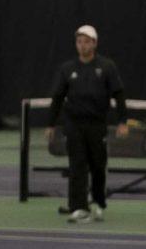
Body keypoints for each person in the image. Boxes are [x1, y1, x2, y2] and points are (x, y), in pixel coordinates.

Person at [47, 25, 131, 224]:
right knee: (77, 166)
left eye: (86, 41)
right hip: (74, 125)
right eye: (79, 42)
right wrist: (51, 124)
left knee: (98, 166)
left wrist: (122, 121)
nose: (82, 45)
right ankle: (79, 207)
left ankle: (99, 204)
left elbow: (119, 95)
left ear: (94, 43)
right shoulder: (67, 69)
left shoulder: (107, 66)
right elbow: (58, 97)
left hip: (97, 125)